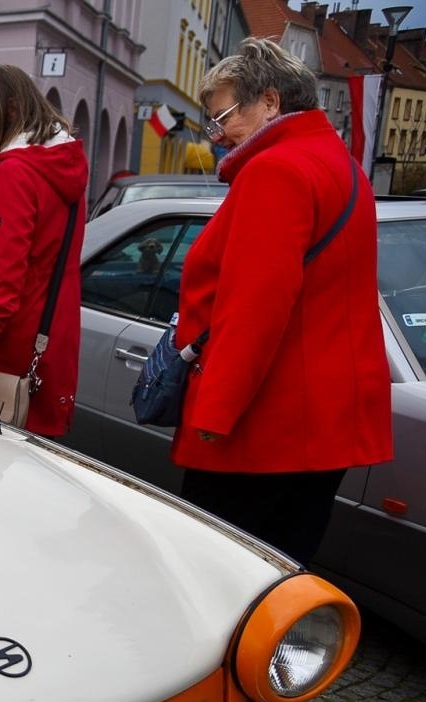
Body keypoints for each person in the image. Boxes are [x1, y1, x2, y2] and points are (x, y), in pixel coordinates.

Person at [173, 38, 391, 563]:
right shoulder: (341, 167)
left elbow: (255, 305)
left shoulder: (275, 172)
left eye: (223, 114)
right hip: (322, 419)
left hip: (263, 423)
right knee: (285, 565)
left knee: (221, 569)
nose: (218, 132)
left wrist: (215, 412)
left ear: (270, 101)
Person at [0, 64, 87, 437]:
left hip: (4, 361)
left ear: (9, 110)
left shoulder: (16, 174)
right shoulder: (58, 167)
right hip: (42, 351)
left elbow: (1, 285)